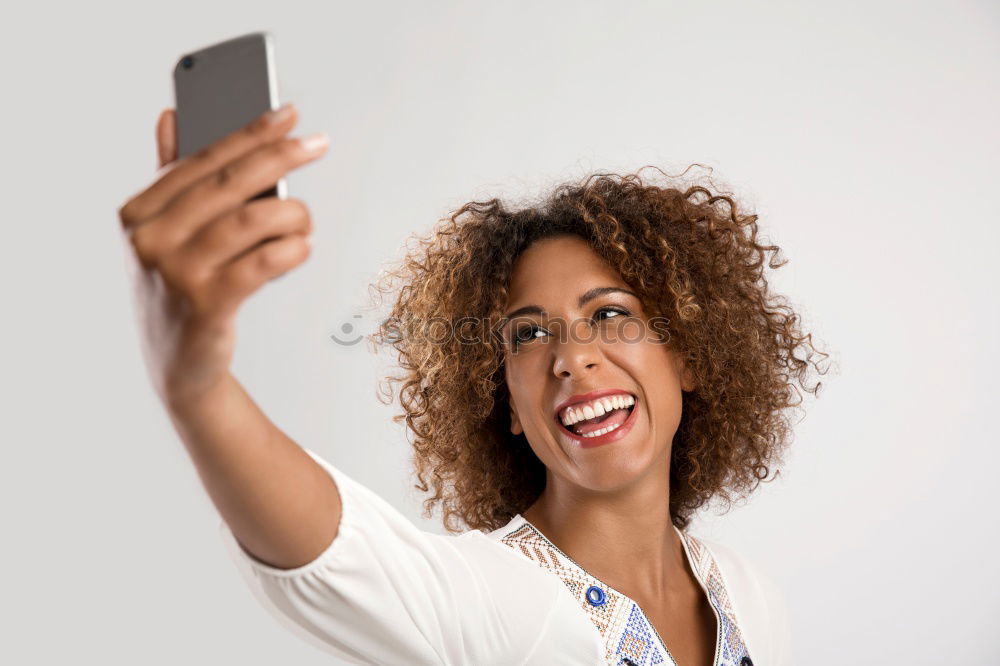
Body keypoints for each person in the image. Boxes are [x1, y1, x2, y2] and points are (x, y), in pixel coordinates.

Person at [118, 102, 827, 666]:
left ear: (691, 357)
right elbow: (336, 551)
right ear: (509, 406)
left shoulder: (752, 599)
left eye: (609, 315)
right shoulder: (495, 603)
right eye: (527, 333)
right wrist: (196, 385)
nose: (572, 359)